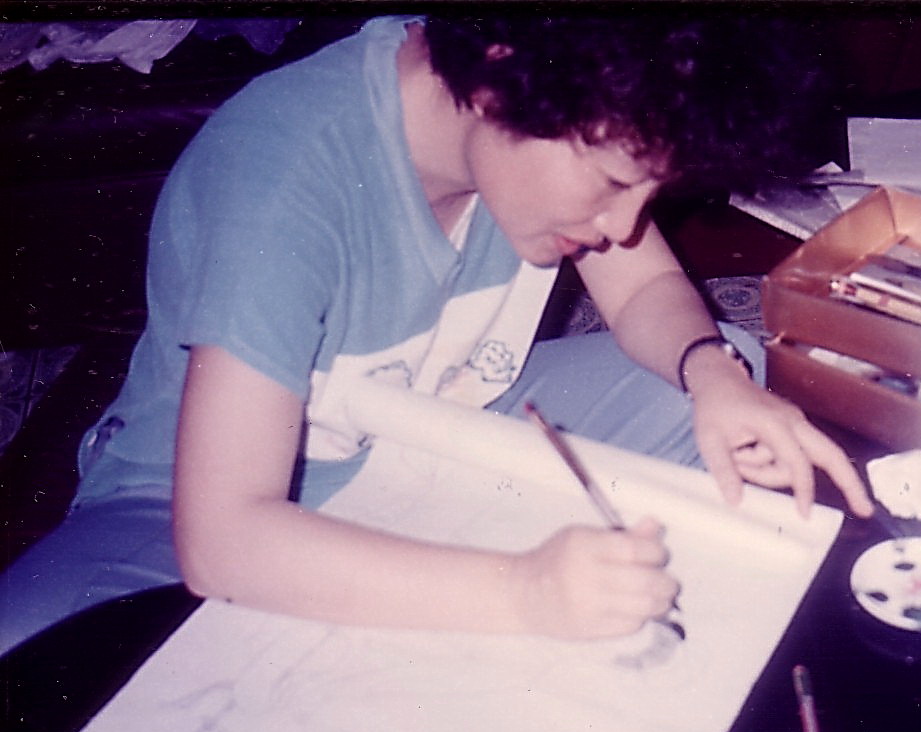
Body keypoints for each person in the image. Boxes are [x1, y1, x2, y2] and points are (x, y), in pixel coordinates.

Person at [0, 12, 873, 656]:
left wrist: (711, 372)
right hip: (178, 506)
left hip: (437, 433)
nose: (622, 226)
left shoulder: (534, 94)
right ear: (498, 82)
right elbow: (222, 539)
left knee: (722, 388)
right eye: (613, 183)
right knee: (39, 664)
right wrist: (521, 593)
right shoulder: (281, 174)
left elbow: (644, 285)